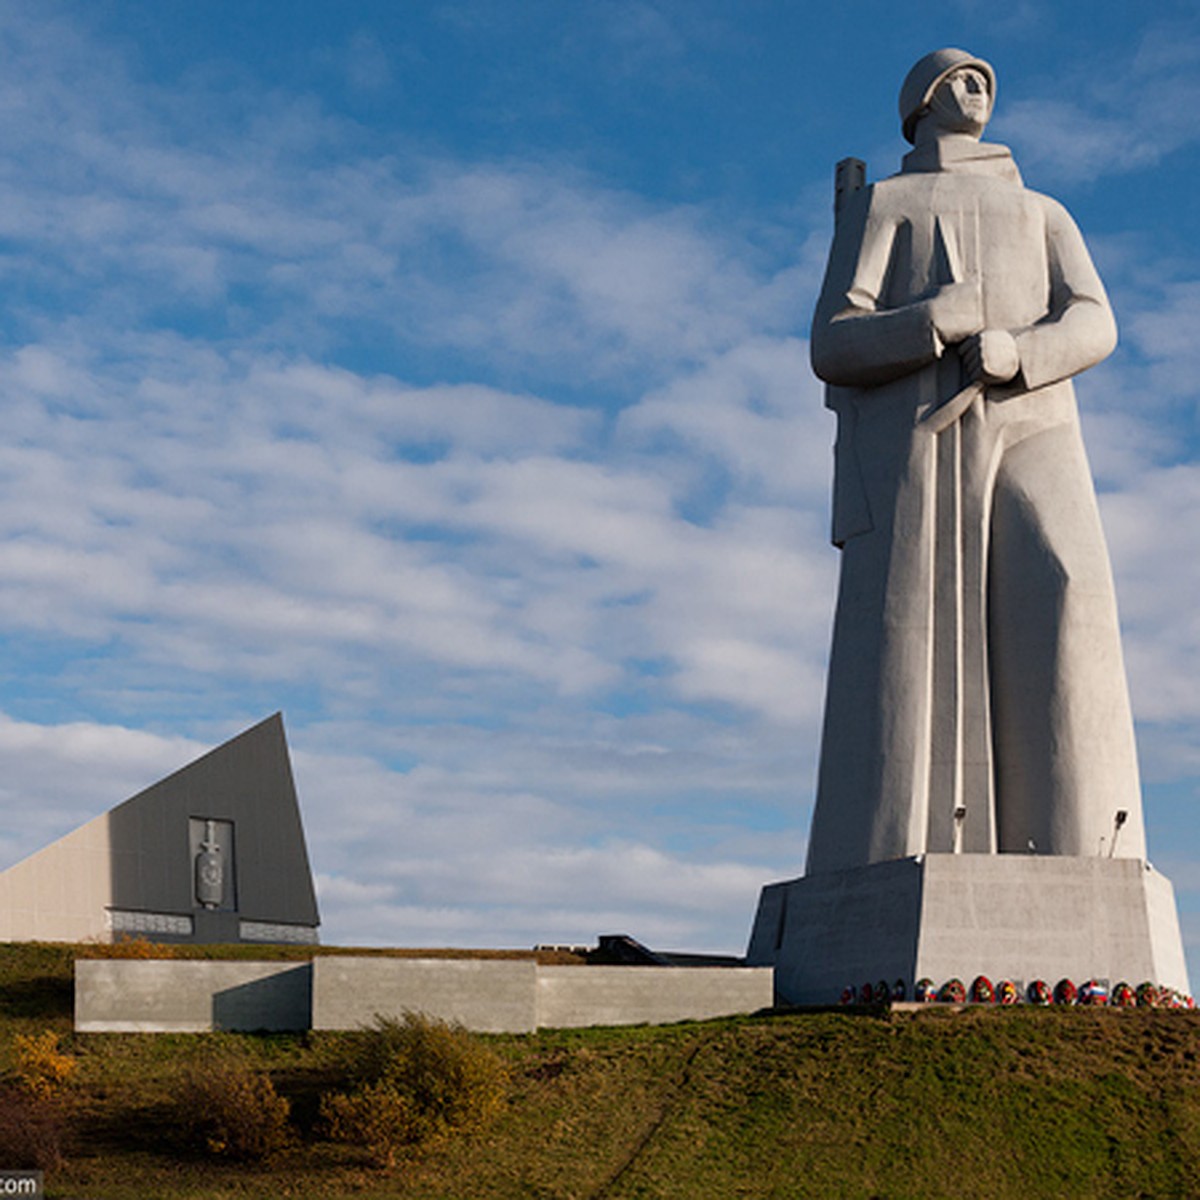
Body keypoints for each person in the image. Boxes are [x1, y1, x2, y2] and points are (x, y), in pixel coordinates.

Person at [804, 48, 1146, 874]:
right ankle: (889, 853)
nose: (978, 91)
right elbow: (831, 343)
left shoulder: (1041, 212)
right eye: (960, 79)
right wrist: (931, 319)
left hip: (1034, 420)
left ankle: (1090, 851)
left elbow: (1095, 319)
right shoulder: (885, 204)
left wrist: (1020, 351)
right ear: (921, 103)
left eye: (985, 81)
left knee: (1068, 587)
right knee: (911, 639)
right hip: (918, 440)